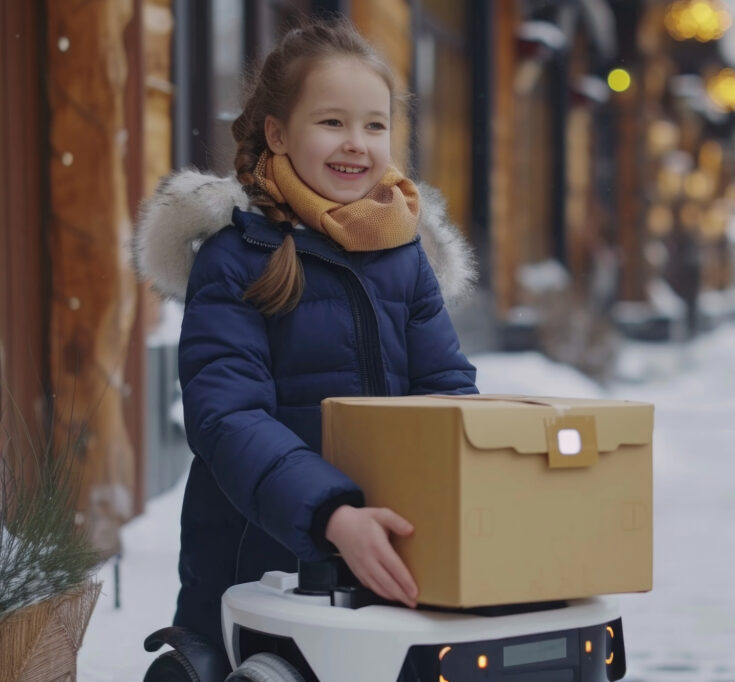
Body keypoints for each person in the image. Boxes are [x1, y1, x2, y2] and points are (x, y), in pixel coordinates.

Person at [133, 16, 478, 651]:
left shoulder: (404, 254)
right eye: (332, 122)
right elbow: (228, 417)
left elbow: (445, 389)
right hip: (265, 562)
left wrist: (478, 475)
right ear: (277, 133)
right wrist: (329, 514)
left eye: (375, 125)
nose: (357, 143)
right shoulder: (236, 256)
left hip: (392, 546)